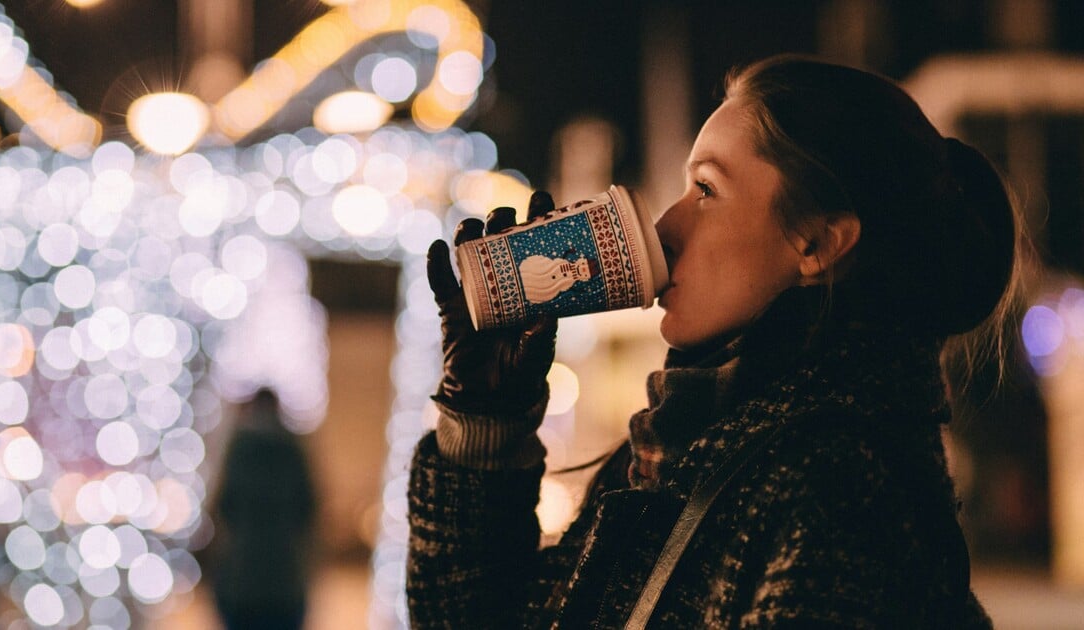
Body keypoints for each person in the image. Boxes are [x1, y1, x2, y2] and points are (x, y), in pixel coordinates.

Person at [407, 54, 1020, 628]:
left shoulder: (837, 492)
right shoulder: (681, 447)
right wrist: (486, 422)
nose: (666, 227)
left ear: (817, 243)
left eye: (706, 189)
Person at [203, 389, 317, 630]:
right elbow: (308, 508)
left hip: (242, 578)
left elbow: (223, 505)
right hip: (285, 579)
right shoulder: (293, 449)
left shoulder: (239, 449)